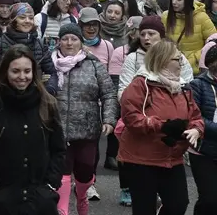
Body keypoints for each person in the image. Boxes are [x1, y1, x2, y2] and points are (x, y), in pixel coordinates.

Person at [0, 45, 66, 215]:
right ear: (5, 72)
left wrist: (51, 183)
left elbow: (59, 149)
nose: (22, 77)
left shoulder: (47, 104)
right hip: (0, 201)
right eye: (16, 71)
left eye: (27, 71)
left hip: (40, 200)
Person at [118, 40, 204, 215]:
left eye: (181, 59)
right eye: (177, 59)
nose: (181, 63)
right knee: (144, 209)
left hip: (173, 158)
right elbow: (131, 118)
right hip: (141, 159)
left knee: (178, 204)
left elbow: (196, 116)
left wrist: (196, 129)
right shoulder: (141, 84)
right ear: (162, 59)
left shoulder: (183, 87)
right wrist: (162, 126)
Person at [51, 24, 117, 215]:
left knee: (85, 173)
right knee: (61, 174)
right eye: (65, 39)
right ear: (59, 41)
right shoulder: (49, 63)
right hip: (58, 130)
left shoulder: (94, 64)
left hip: (87, 130)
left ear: (81, 42)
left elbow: (108, 94)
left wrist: (109, 120)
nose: (69, 43)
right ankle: (62, 210)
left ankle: (82, 198)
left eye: (73, 39)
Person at [188, 46, 217, 215]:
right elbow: (195, 117)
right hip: (203, 150)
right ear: (210, 63)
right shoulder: (197, 85)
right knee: (210, 198)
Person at [162, 0, 217, 71]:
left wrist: (195, 58)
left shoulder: (201, 17)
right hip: (170, 67)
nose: (174, 2)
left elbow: (213, 43)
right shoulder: (166, 16)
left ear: (187, 1)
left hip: (194, 69)